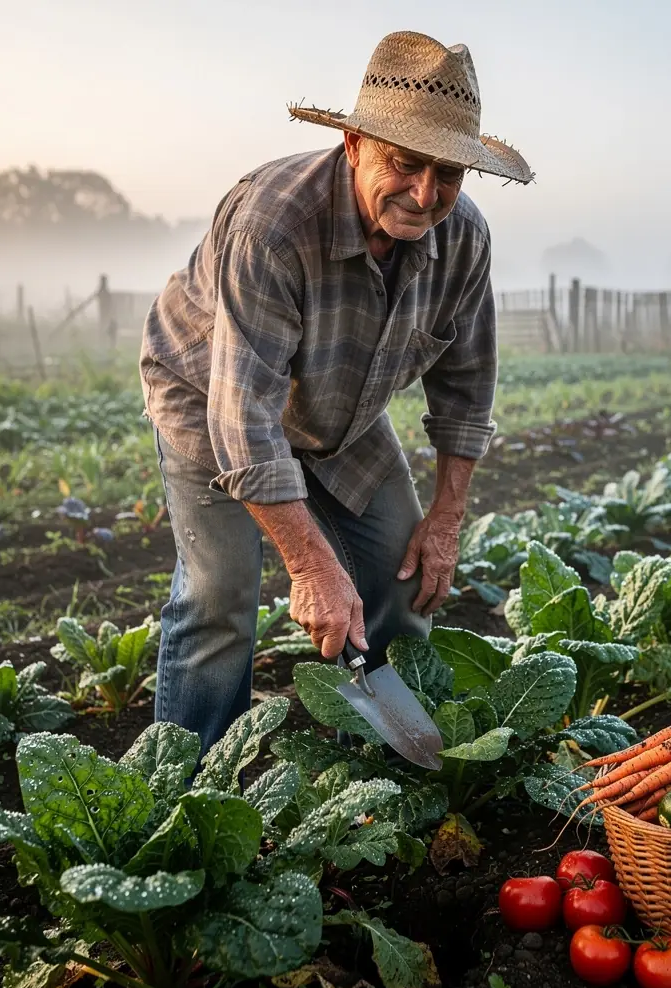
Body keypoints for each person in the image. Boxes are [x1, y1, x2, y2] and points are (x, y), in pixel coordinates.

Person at [139, 30, 533, 755]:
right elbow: (246, 418)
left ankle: (391, 762)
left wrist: (446, 519)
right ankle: (183, 789)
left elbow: (467, 387)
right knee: (221, 598)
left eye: (448, 174)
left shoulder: (464, 240)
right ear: (353, 144)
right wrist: (311, 564)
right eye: (405, 164)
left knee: (403, 575)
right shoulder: (273, 227)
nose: (425, 193)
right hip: (212, 403)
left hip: (340, 414)